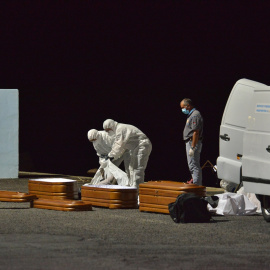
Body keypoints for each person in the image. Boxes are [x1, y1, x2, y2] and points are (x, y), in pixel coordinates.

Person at [103, 119, 152, 188]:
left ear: (112, 126)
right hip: (136, 147)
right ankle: (132, 186)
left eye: (108, 130)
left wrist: (111, 155)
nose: (108, 132)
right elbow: (122, 147)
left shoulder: (120, 129)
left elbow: (119, 144)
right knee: (131, 168)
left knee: (137, 168)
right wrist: (112, 155)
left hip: (142, 145)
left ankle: (137, 189)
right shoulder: (119, 130)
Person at [180, 98, 203, 185]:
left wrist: (192, 147)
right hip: (190, 142)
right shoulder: (191, 115)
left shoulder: (195, 115)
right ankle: (195, 182)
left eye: (183, 107)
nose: (182, 110)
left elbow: (196, 132)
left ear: (188, 106)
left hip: (192, 142)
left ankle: (196, 186)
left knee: (194, 165)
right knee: (192, 165)